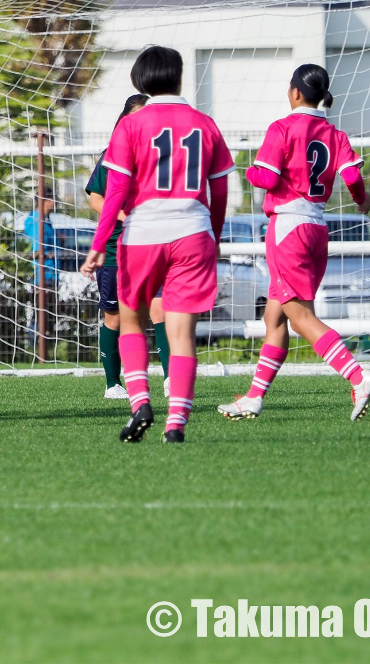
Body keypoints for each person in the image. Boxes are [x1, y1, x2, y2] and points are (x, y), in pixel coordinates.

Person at [80, 45, 234, 443]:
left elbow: (115, 193)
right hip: (193, 232)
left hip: (142, 234)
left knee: (131, 321)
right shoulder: (205, 124)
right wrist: (214, 236)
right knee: (181, 333)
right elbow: (220, 191)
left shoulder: (130, 126)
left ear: (140, 80)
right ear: (179, 78)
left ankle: (140, 404)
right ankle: (176, 424)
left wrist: (99, 244)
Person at [217, 65, 370, 422]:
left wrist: (245, 169)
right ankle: (254, 397)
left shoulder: (282, 128)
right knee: (274, 316)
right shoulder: (334, 133)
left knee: (300, 315)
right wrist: (362, 200)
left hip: (288, 227)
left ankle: (358, 375)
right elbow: (352, 176)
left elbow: (265, 177)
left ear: (294, 92)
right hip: (317, 228)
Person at [85, 94, 176, 402]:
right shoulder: (112, 154)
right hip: (116, 248)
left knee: (160, 308)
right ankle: (113, 383)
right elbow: (95, 198)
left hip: (153, 243)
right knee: (115, 316)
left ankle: (170, 378)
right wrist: (124, 215)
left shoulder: (161, 155)